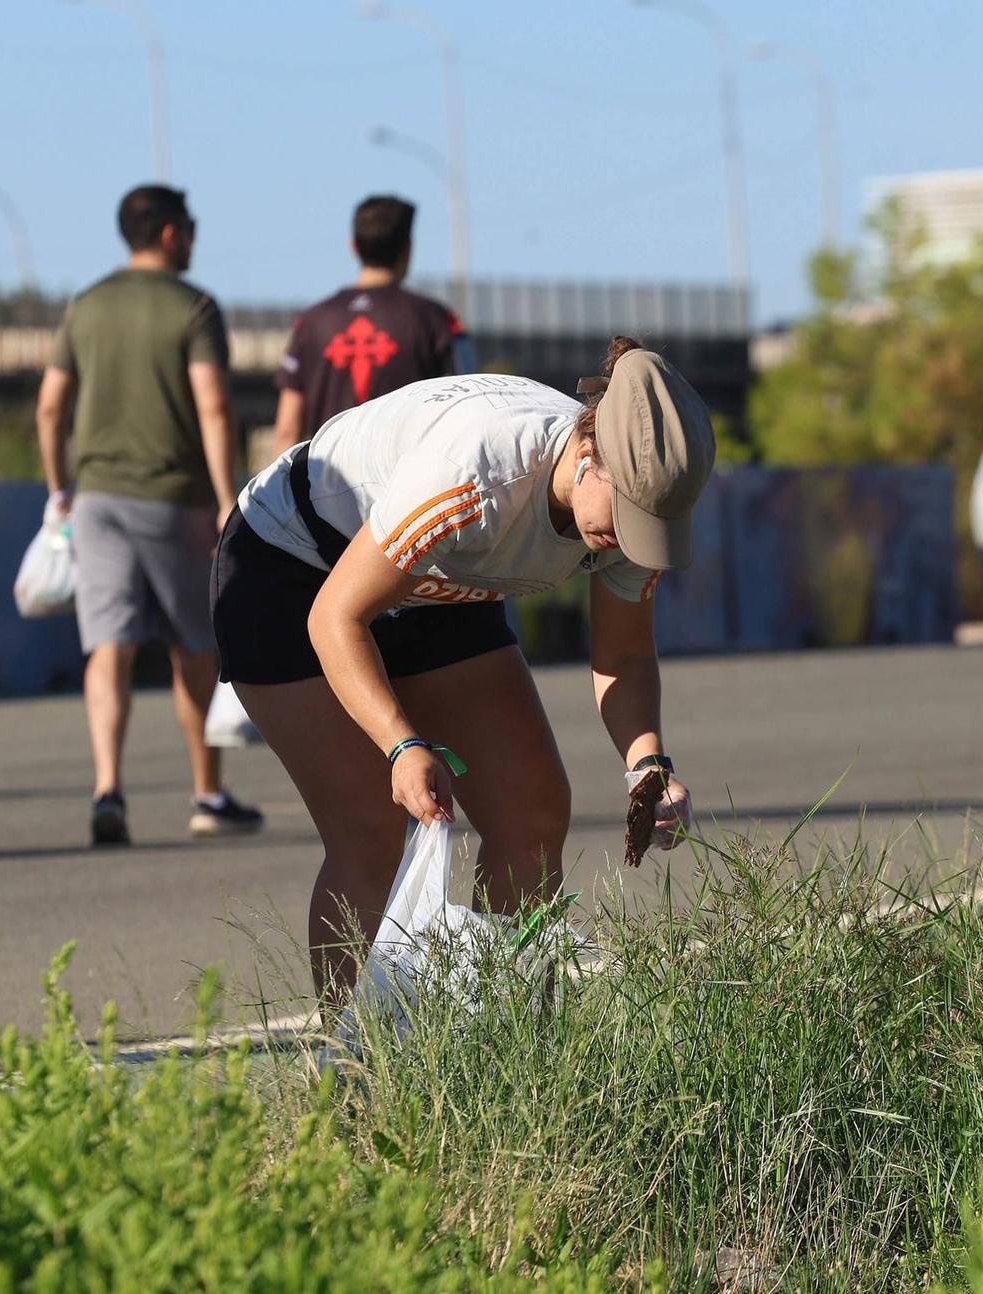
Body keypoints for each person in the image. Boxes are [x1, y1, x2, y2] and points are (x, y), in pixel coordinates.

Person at [211, 337, 712, 1007]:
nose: (630, 541)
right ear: (589, 455)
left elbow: (622, 656)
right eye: (625, 519)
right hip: (299, 572)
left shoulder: (634, 508)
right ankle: (359, 1075)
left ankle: (497, 1045)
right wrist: (401, 744)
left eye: (648, 529)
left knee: (533, 812)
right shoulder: (476, 476)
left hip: (438, 579)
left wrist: (649, 765)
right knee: (372, 827)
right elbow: (337, 618)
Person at [36, 184, 263, 845]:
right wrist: (227, 497)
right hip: (176, 499)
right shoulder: (193, 307)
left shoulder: (86, 305)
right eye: (189, 226)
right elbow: (215, 408)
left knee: (109, 646)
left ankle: (108, 786)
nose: (194, 236)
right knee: (194, 647)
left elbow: (50, 409)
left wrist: (59, 492)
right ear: (168, 233)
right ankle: (207, 794)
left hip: (97, 498)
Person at [270, 195, 469, 461]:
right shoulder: (436, 320)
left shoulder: (311, 322)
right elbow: (469, 403)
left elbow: (287, 430)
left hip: (328, 485)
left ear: (353, 247)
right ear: (408, 248)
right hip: (408, 485)